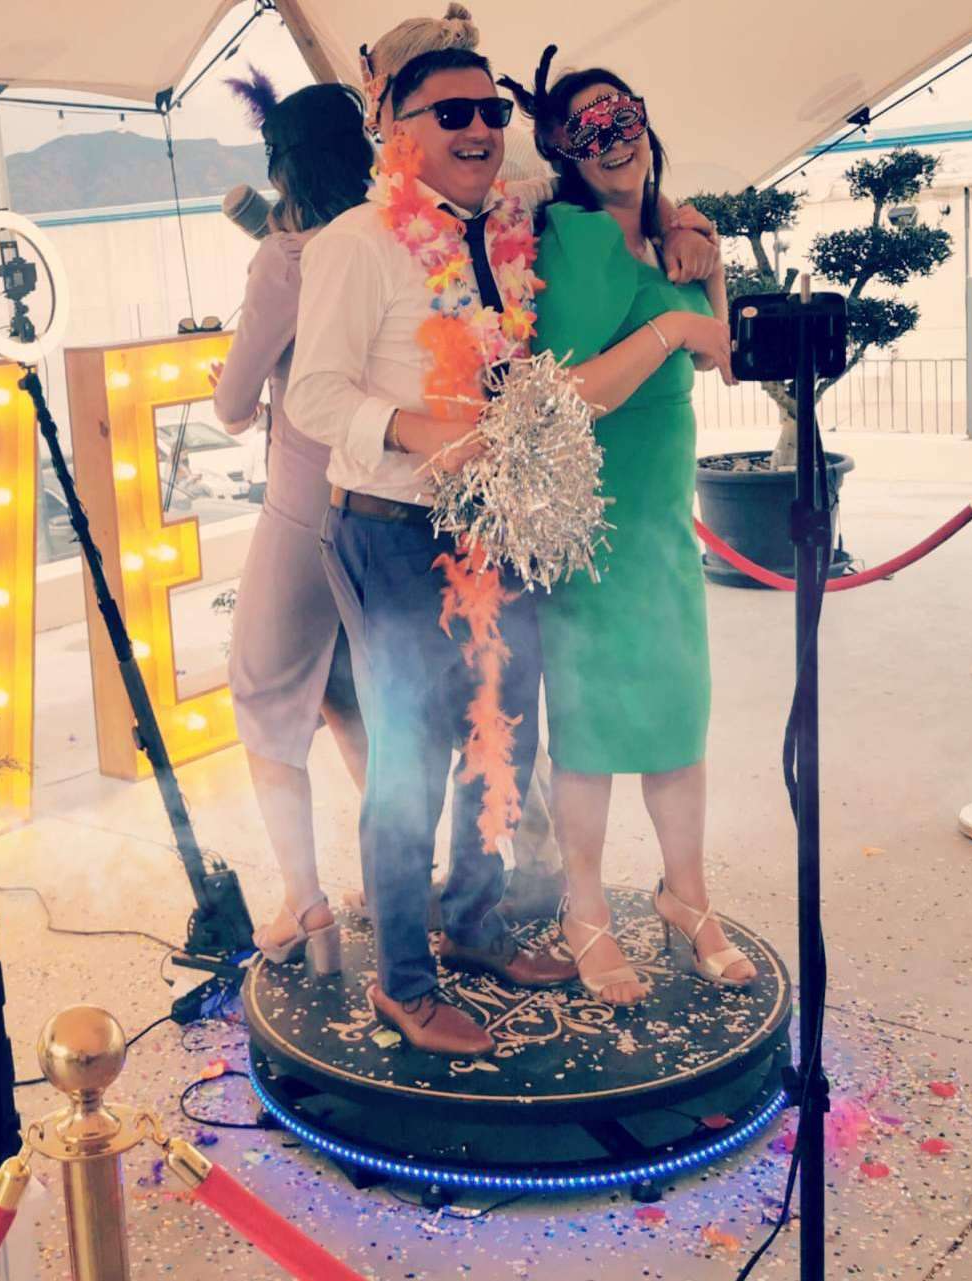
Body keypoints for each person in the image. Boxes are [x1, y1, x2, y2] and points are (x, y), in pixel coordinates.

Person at [286, 35, 582, 1056]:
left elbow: (606, 183)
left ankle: (474, 925)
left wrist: (679, 223)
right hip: (391, 530)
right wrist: (422, 434)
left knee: (502, 738)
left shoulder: (505, 229)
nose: (479, 128)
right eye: (451, 113)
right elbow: (313, 395)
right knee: (409, 762)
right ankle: (402, 984)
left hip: (501, 524)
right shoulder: (358, 242)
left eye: (492, 112)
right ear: (395, 134)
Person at [502, 52, 756, 1002]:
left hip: (661, 522)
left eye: (623, 117)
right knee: (592, 727)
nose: (613, 140)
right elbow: (561, 394)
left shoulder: (671, 232)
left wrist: (707, 255)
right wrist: (672, 330)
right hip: (591, 520)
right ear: (562, 150)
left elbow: (726, 359)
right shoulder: (570, 238)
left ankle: (685, 895)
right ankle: (584, 910)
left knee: (678, 713)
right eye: (588, 129)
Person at [211, 77, 377, 974]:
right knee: (353, 696)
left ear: (282, 167)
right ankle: (394, 881)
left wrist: (230, 381)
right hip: (386, 501)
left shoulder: (286, 258)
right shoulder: (393, 236)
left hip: (305, 505)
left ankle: (304, 904)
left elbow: (236, 401)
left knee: (265, 698)